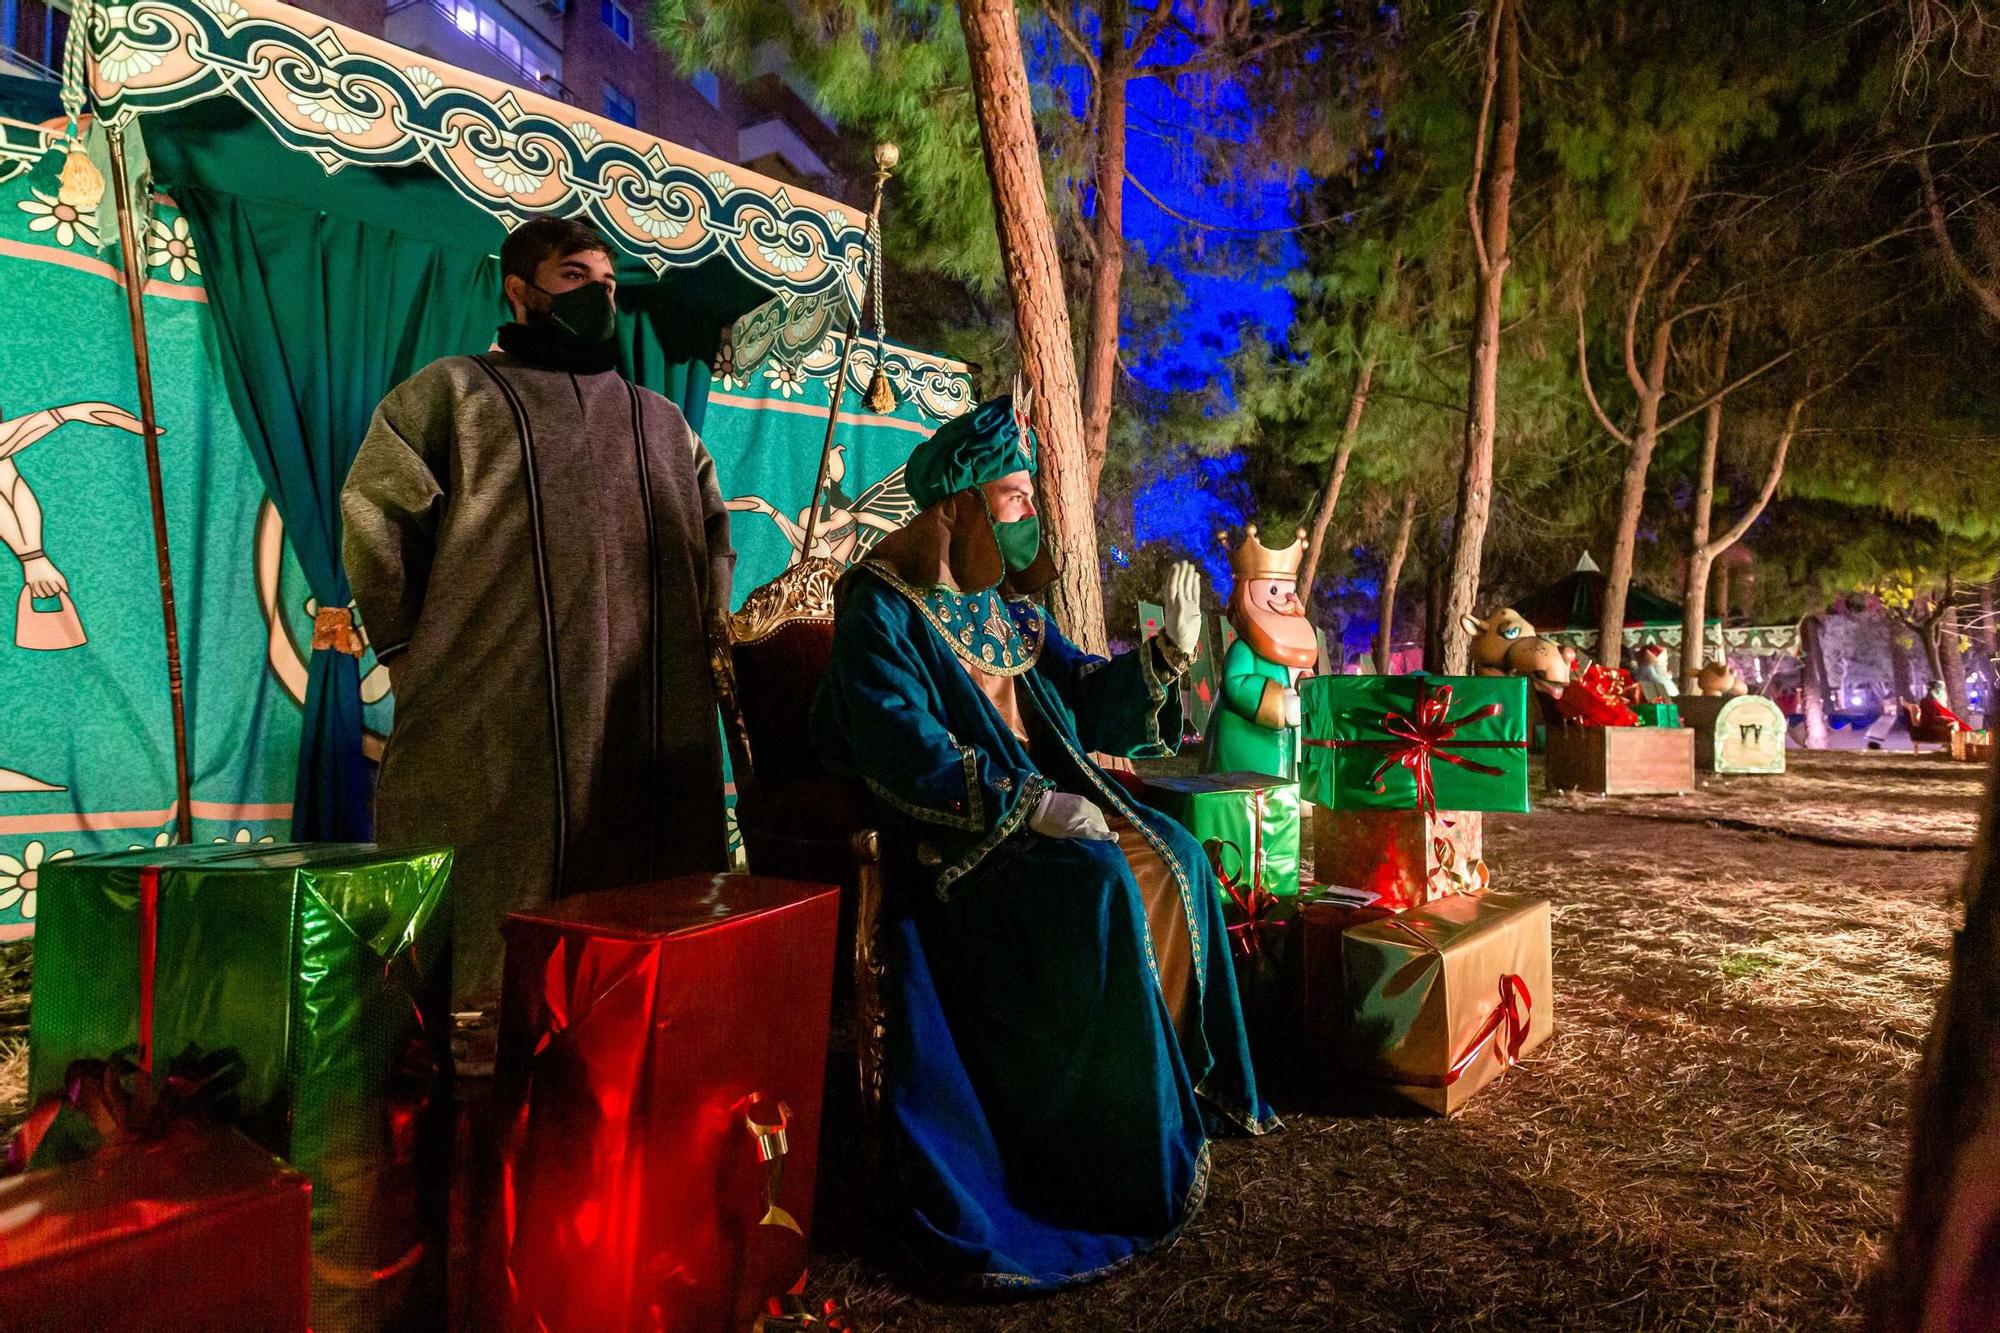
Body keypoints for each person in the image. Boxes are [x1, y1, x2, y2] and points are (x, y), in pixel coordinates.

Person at [811, 394, 1274, 1292]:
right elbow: (897, 740)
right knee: (1099, 883)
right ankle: (1091, 1152)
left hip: (1051, 817)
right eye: (1016, 499)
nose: (1032, 520)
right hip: (958, 845)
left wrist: (1163, 661)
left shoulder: (1007, 611)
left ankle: (1162, 1098)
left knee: (1175, 853)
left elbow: (1084, 691)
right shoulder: (882, 607)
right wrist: (1021, 802)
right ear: (959, 505)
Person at [341, 215, 733, 1004]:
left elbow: (712, 542)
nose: (599, 296)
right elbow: (377, 513)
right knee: (496, 936)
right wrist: (406, 654)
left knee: (644, 932)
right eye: (574, 278)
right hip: (495, 719)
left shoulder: (663, 423)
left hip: (643, 723)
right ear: (521, 291)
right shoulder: (454, 395)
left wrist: (696, 655)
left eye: (608, 282)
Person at [1204, 525, 1320, 779]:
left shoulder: (1294, 643)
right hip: (1249, 742)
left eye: (1290, 590)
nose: (1288, 600)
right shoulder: (1244, 649)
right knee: (1258, 786)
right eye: (1274, 591)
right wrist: (1282, 702)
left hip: (1288, 742)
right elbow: (1237, 683)